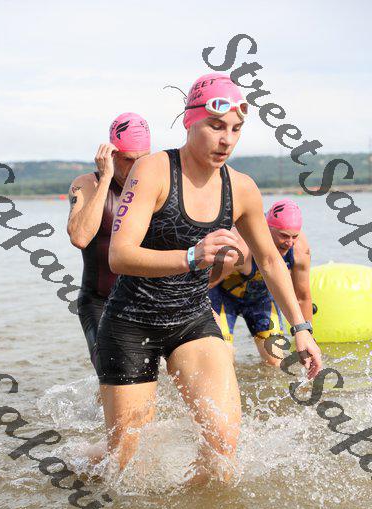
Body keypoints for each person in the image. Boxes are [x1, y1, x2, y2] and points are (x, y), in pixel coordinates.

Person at [94, 74, 322, 484]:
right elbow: (119, 255)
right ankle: (77, 460)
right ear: (190, 121)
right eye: (216, 126)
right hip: (131, 323)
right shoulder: (154, 170)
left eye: (235, 129)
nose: (226, 140)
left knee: (222, 444)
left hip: (192, 320)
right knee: (124, 462)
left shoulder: (242, 188)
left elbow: (270, 261)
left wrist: (301, 328)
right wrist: (191, 256)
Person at [67, 113, 151, 383]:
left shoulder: (154, 185)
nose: (136, 167)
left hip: (148, 300)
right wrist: (106, 179)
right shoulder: (86, 184)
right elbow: (80, 237)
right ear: (112, 155)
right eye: (128, 159)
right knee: (113, 374)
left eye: (142, 159)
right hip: (100, 302)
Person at [209, 199, 312, 366]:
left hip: (261, 300)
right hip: (222, 298)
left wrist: (307, 336)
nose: (289, 243)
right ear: (266, 229)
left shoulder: (299, 250)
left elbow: (302, 297)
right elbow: (202, 287)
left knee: (276, 361)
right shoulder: (239, 249)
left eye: (294, 236)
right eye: (283, 235)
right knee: (223, 358)